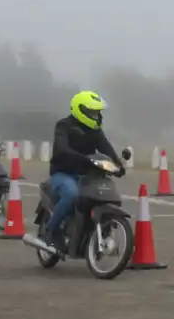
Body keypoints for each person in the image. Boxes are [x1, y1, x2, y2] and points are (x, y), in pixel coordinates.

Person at [44, 91, 121, 250]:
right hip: (63, 173)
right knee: (72, 194)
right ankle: (51, 230)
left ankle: (90, 231)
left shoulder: (95, 130)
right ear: (81, 110)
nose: (96, 115)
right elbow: (62, 147)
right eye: (93, 112)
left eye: (98, 112)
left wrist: (118, 165)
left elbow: (106, 148)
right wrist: (83, 158)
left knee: (107, 195)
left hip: (87, 176)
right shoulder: (64, 125)